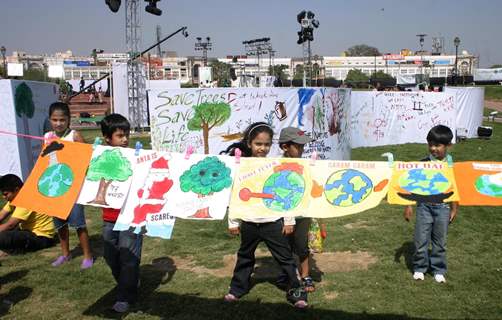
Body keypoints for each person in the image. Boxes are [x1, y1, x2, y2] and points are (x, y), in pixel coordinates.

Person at [222, 122, 308, 308]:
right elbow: (236, 195)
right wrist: (233, 222)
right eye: (258, 144)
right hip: (249, 223)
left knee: (285, 258)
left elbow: (285, 193)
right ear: (249, 143)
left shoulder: (276, 165)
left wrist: (289, 219)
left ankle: (297, 292)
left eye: (267, 144)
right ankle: (237, 289)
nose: (262, 148)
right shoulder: (241, 167)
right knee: (245, 256)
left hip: (272, 222)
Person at [403, 125, 459, 283]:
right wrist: (408, 206)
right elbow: (412, 185)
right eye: (430, 144)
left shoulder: (451, 166)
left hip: (443, 209)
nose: (433, 148)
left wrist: (454, 208)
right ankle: (420, 268)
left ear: (448, 146)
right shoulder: (423, 164)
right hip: (424, 207)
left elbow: (455, 189)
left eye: (438, 145)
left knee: (440, 242)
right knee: (421, 241)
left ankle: (438, 269)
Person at [100, 113, 143, 313]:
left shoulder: (136, 156)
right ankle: (129, 282)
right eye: (120, 135)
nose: (125, 139)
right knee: (110, 254)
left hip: (131, 217)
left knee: (128, 257)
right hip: (109, 217)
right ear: (108, 138)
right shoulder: (100, 157)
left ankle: (126, 295)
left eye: (126, 135)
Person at [44, 102, 94, 269]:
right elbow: (44, 160)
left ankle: (87, 255)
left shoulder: (74, 135)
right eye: (55, 119)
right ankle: (65, 254)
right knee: (60, 223)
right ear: (50, 119)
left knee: (79, 223)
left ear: (69, 120)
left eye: (62, 120)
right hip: (54, 186)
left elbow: (87, 157)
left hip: (73, 187)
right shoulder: (47, 136)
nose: (58, 123)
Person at [276, 127, 316, 292]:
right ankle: (288, 274)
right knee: (283, 245)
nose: (301, 149)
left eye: (302, 146)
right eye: (298, 146)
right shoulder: (275, 165)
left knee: (301, 245)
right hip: (281, 214)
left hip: (302, 214)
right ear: (285, 147)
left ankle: (306, 275)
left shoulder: (306, 165)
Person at [0, 174, 56, 254]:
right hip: (27, 232)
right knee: (5, 234)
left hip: (41, 237)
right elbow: (2, 215)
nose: (3, 197)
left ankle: (9, 251)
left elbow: (11, 224)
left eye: (5, 194)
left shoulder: (26, 198)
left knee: (4, 236)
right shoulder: (15, 197)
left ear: (16, 189)